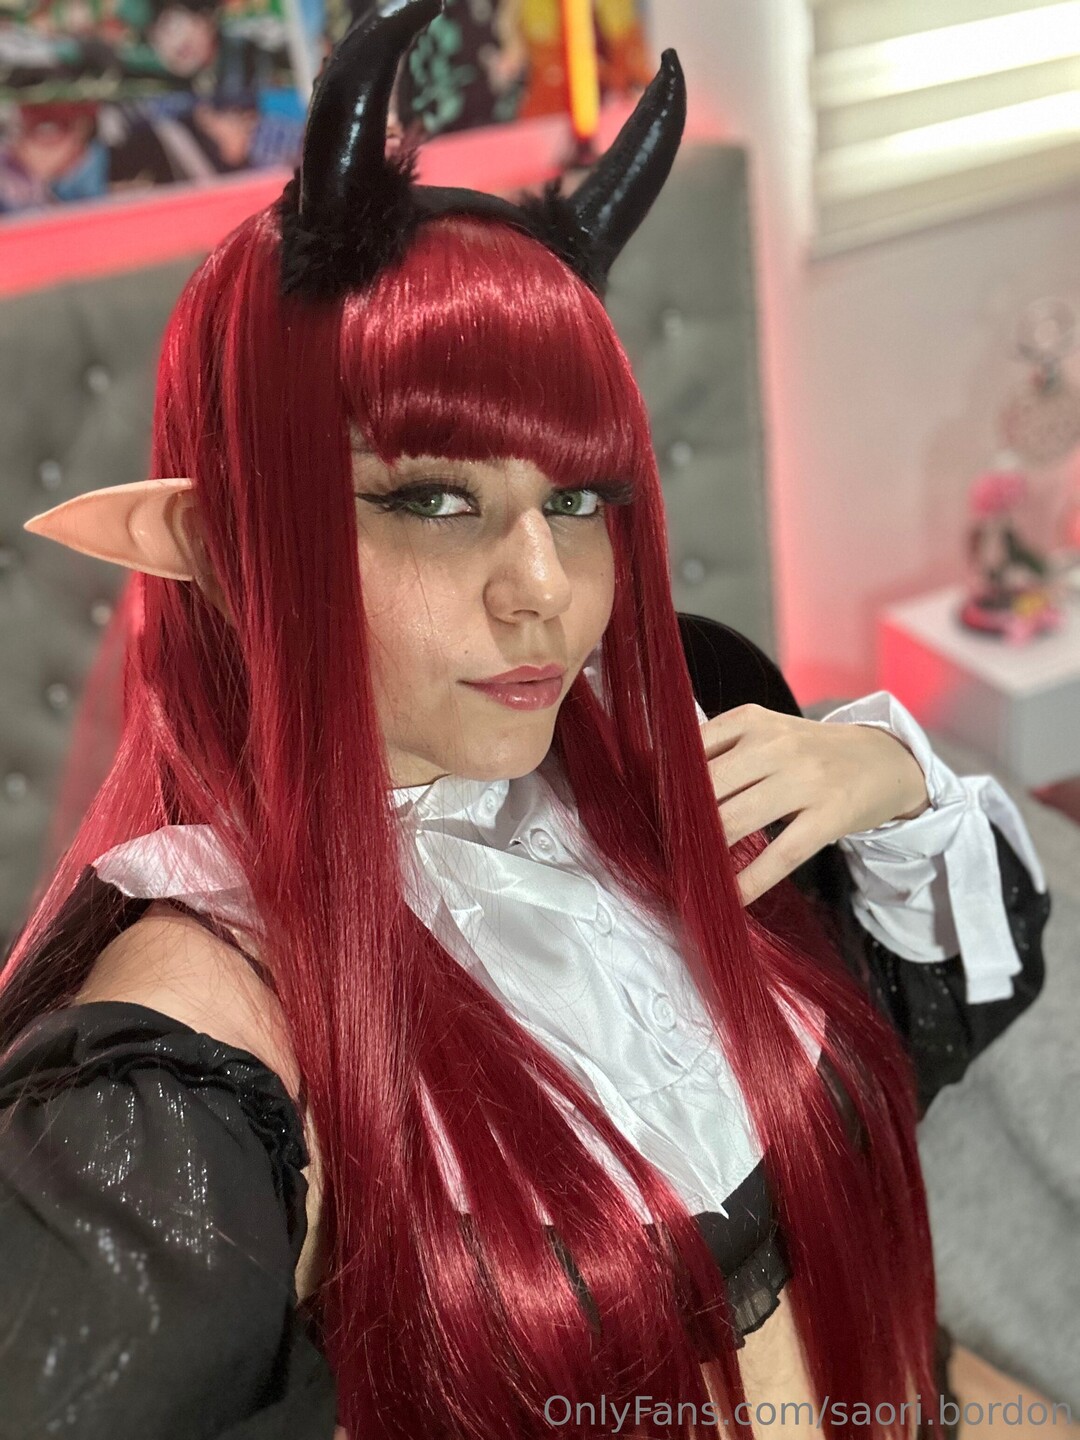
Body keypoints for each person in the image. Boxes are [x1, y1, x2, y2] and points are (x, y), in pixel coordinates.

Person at [0, 2, 1060, 1437]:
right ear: (226, 546)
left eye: (578, 498)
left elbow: (941, 1011)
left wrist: (890, 779)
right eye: (435, 499)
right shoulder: (192, 1080)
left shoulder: (682, 729)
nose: (546, 595)